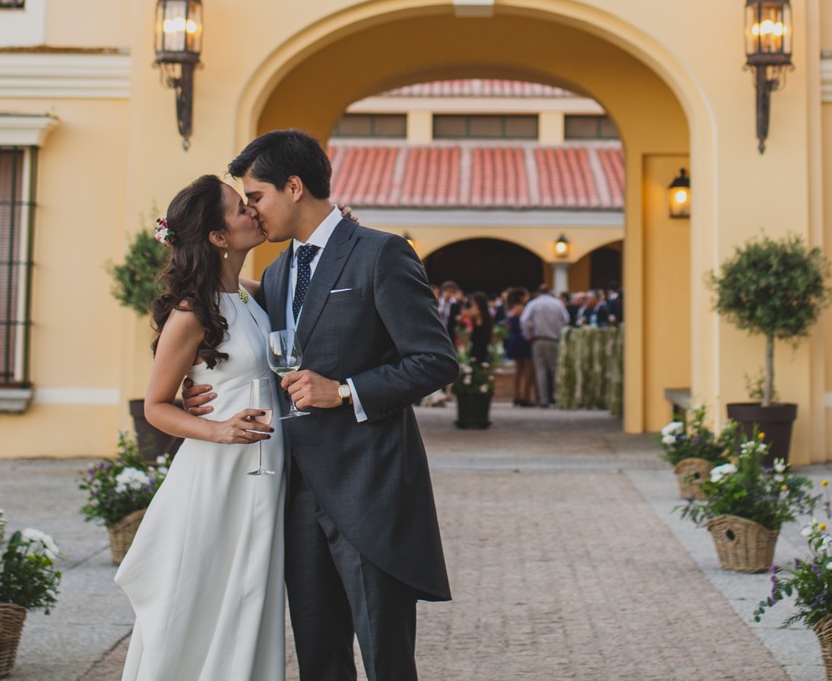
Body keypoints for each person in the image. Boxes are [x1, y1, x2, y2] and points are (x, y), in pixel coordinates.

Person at [190, 129, 456, 681]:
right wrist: (200, 389)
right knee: (319, 662)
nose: (254, 212)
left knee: (387, 663)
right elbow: (235, 334)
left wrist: (346, 391)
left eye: (257, 197)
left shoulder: (381, 253)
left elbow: (435, 361)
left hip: (370, 491)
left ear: (293, 186)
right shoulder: (279, 272)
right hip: (294, 495)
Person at [114, 174, 283, 681]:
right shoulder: (191, 312)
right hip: (217, 477)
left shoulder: (251, 296)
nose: (253, 211)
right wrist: (220, 429)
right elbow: (156, 406)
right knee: (204, 600)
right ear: (217, 237)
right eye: (239, 208)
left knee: (251, 598)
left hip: (263, 474)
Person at [519, 284, 569, 408]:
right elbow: (566, 319)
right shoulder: (557, 303)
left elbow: (524, 320)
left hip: (538, 339)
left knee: (540, 370)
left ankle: (543, 399)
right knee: (554, 369)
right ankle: (556, 396)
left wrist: (528, 335)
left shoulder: (533, 304)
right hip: (553, 339)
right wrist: (560, 332)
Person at [501, 288, 535, 406]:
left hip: (514, 338)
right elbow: (526, 324)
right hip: (522, 339)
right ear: (521, 297)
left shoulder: (510, 309)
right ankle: (525, 396)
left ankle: (516, 395)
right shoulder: (521, 309)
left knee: (518, 370)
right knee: (527, 369)